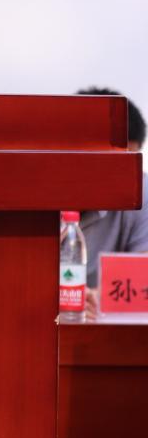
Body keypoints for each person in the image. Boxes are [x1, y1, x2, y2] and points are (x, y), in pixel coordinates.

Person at [76, 86, 148, 318]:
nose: (123, 176)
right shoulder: (29, 194)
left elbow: (143, 274)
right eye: (114, 164)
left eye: (130, 164)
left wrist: (101, 299)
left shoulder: (141, 190)